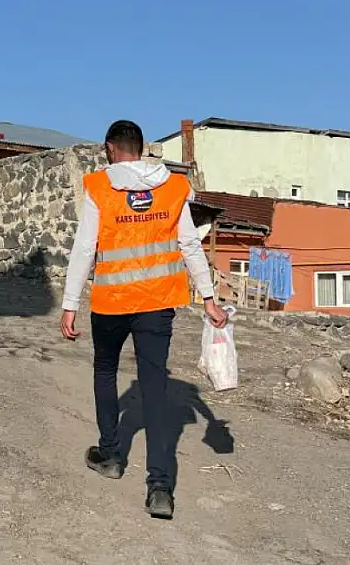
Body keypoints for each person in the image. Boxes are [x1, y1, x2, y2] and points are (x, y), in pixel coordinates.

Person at [59, 119, 227, 520]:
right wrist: (209, 298)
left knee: (105, 371)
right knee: (154, 389)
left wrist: (69, 303)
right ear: (142, 147)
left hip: (112, 302)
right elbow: (189, 243)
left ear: (111, 148)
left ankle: (112, 457)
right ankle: (159, 487)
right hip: (157, 303)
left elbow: (85, 248)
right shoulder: (171, 187)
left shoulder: (101, 186)